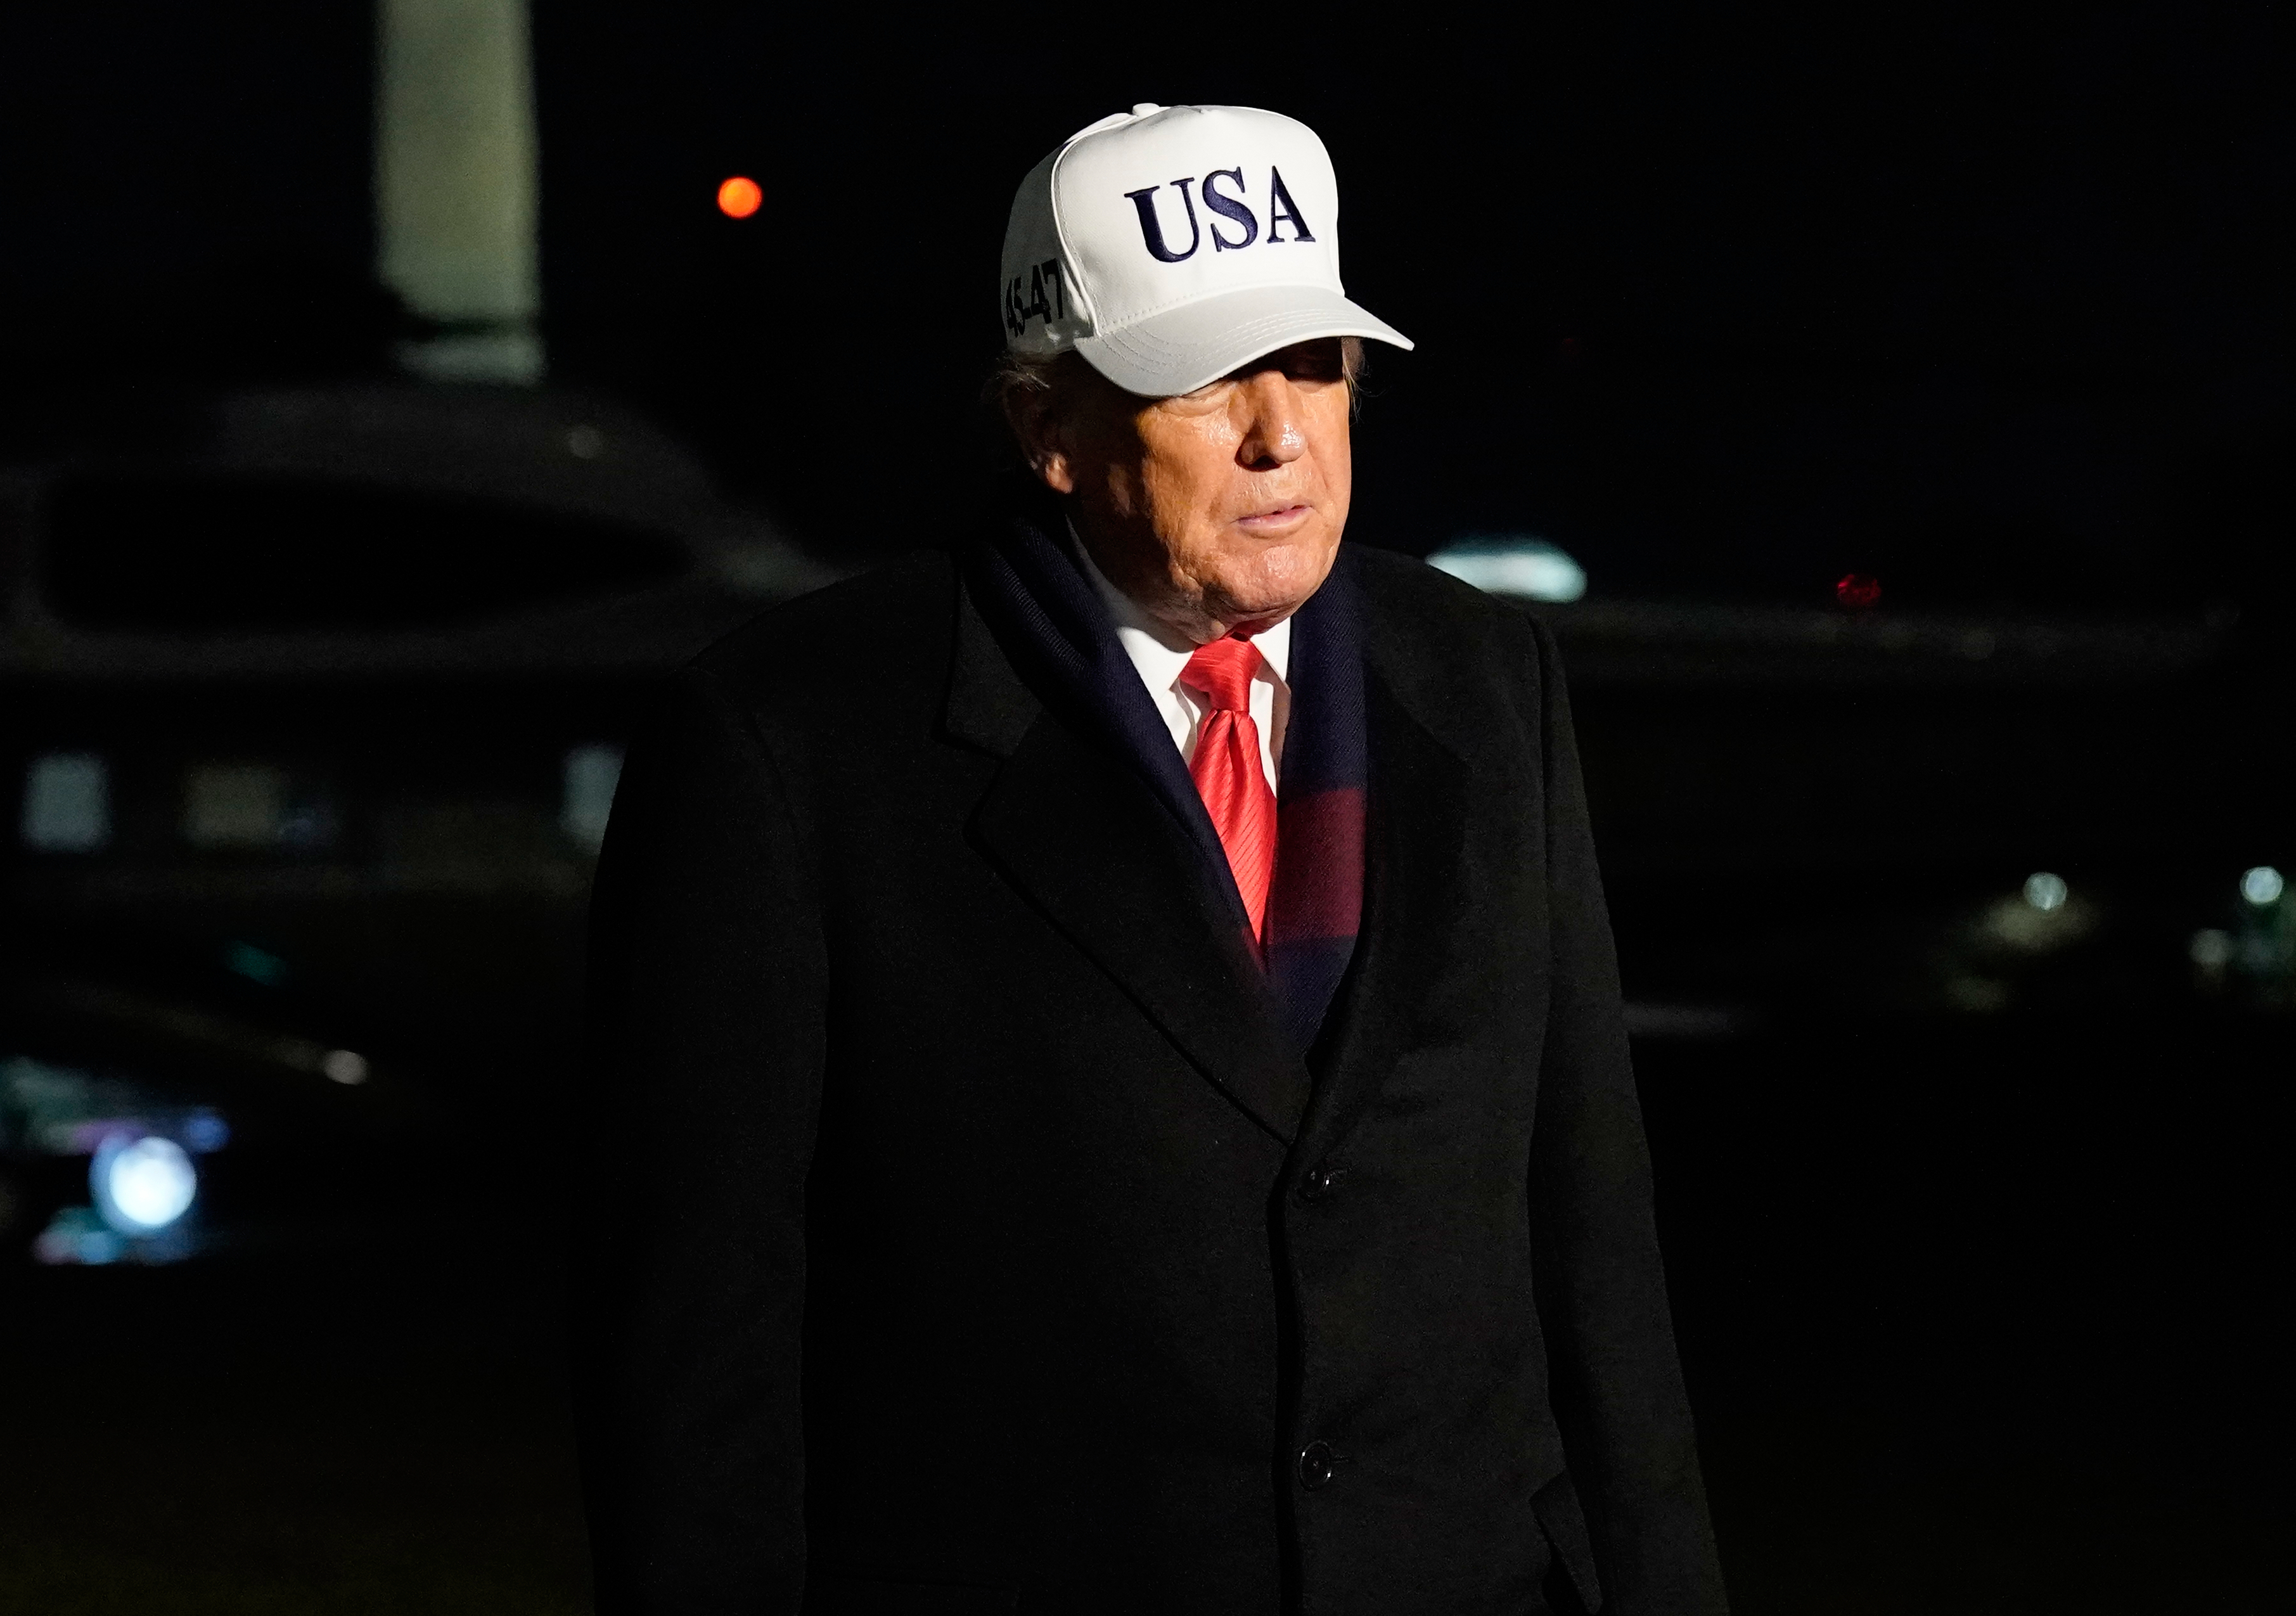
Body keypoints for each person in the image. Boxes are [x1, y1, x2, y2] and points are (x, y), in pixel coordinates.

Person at [577, 102, 1727, 1615]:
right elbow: (700, 1334)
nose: (1279, 436)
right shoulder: (793, 739)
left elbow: (1592, 1229)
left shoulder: (1484, 679)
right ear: (1044, 428)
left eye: (1313, 365)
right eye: (1202, 379)